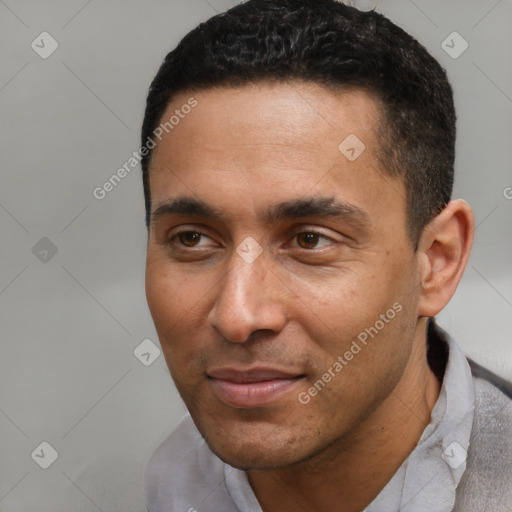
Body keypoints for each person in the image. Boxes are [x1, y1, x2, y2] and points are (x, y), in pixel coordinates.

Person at [140, 1, 512, 510]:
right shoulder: (173, 479)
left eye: (310, 240)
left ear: (436, 261)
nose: (237, 315)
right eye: (192, 239)